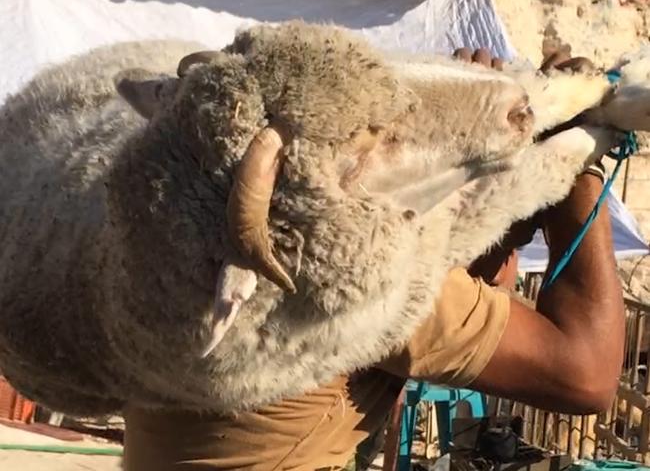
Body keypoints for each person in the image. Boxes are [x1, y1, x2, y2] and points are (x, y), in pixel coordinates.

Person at [121, 49, 625, 471]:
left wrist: (481, 127)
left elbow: (470, 274)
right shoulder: (338, 264)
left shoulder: (192, 234)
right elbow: (585, 375)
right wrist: (578, 164)